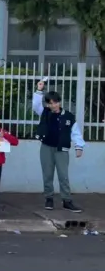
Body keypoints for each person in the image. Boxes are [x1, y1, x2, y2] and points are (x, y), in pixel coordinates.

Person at [32, 80, 84, 212]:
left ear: (59, 102)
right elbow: (35, 105)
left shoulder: (69, 116)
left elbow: (75, 132)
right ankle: (49, 198)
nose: (53, 105)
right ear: (47, 104)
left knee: (63, 175)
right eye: (50, 103)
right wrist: (39, 90)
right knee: (47, 174)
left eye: (55, 102)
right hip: (46, 147)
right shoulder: (44, 112)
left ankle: (67, 200)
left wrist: (79, 147)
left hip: (62, 149)